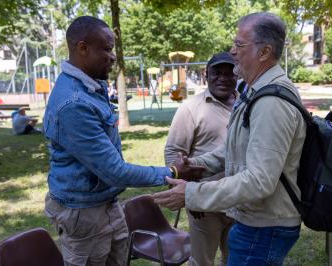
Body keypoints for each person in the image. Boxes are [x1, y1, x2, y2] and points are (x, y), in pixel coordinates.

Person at [43, 16, 203, 266]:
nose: (113, 56)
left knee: (120, 258)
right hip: (83, 213)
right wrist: (172, 171)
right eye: (106, 49)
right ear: (82, 48)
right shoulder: (73, 103)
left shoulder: (92, 86)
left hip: (106, 202)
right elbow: (115, 171)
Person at [154, 12, 307, 266]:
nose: (232, 51)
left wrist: (192, 194)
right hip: (254, 222)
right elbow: (234, 149)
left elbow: (259, 181)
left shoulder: (271, 102)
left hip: (263, 228)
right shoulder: (255, 92)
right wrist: (198, 165)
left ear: (264, 52)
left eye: (239, 45)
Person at [164, 52, 237, 266]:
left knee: (235, 259)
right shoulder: (191, 108)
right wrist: (189, 193)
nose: (223, 78)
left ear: (237, 76)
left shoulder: (246, 105)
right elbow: (174, 153)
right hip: (204, 204)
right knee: (202, 261)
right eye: (217, 72)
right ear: (206, 75)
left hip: (239, 197)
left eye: (229, 73)